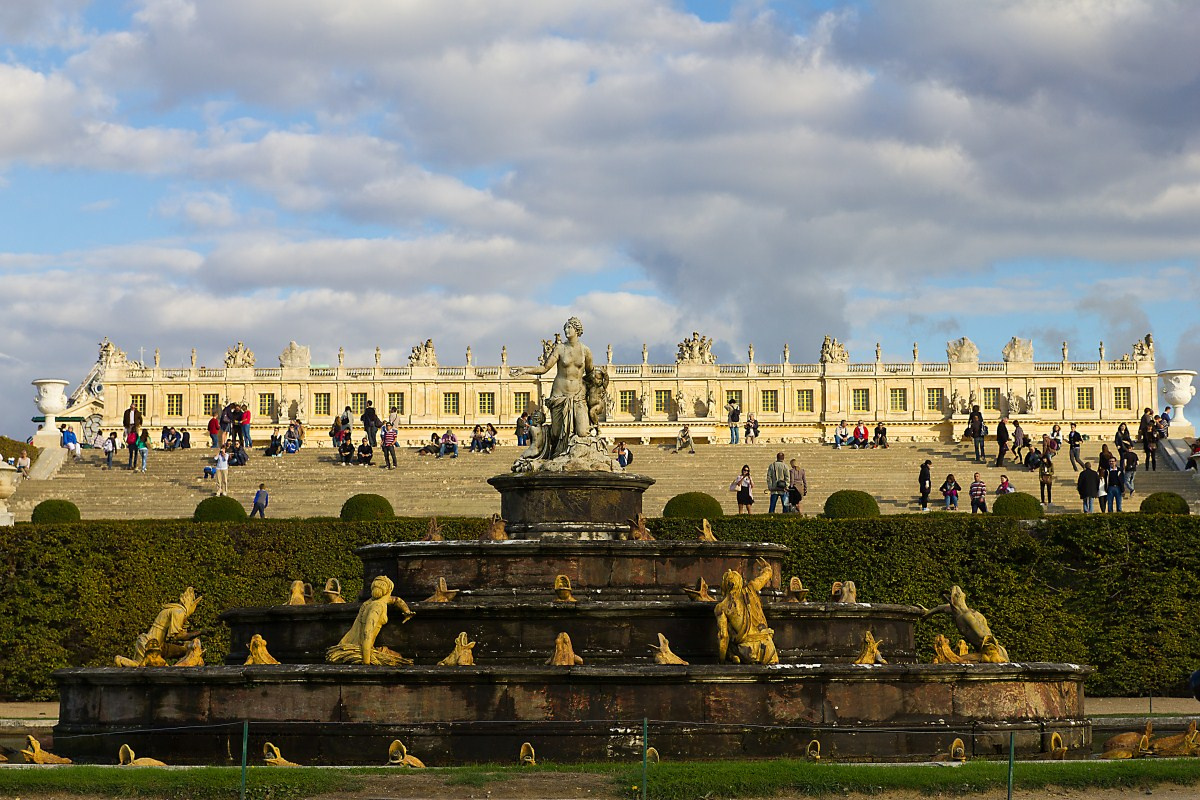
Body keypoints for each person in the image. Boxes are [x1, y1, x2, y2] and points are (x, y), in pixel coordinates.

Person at [714, 558, 778, 665]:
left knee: (730, 642)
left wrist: (721, 662)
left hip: (748, 650)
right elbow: (765, 577)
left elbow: (723, 637)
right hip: (768, 646)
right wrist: (767, 569)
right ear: (740, 582)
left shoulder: (722, 607)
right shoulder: (751, 589)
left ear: (724, 585)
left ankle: (734, 656)